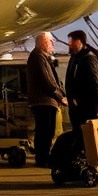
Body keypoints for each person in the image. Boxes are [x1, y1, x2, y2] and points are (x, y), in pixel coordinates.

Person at [26, 32, 66, 167]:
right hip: (43, 101)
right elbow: (47, 81)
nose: (53, 43)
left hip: (45, 101)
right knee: (45, 130)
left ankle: (43, 156)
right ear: (42, 42)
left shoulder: (41, 56)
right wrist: (60, 97)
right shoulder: (38, 57)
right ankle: (42, 158)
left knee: (46, 130)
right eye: (50, 41)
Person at [64, 29, 98, 137]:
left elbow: (95, 82)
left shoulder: (88, 59)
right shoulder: (75, 58)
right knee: (78, 132)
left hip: (86, 105)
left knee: (86, 134)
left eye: (71, 41)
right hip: (76, 105)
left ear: (79, 41)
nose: (69, 44)